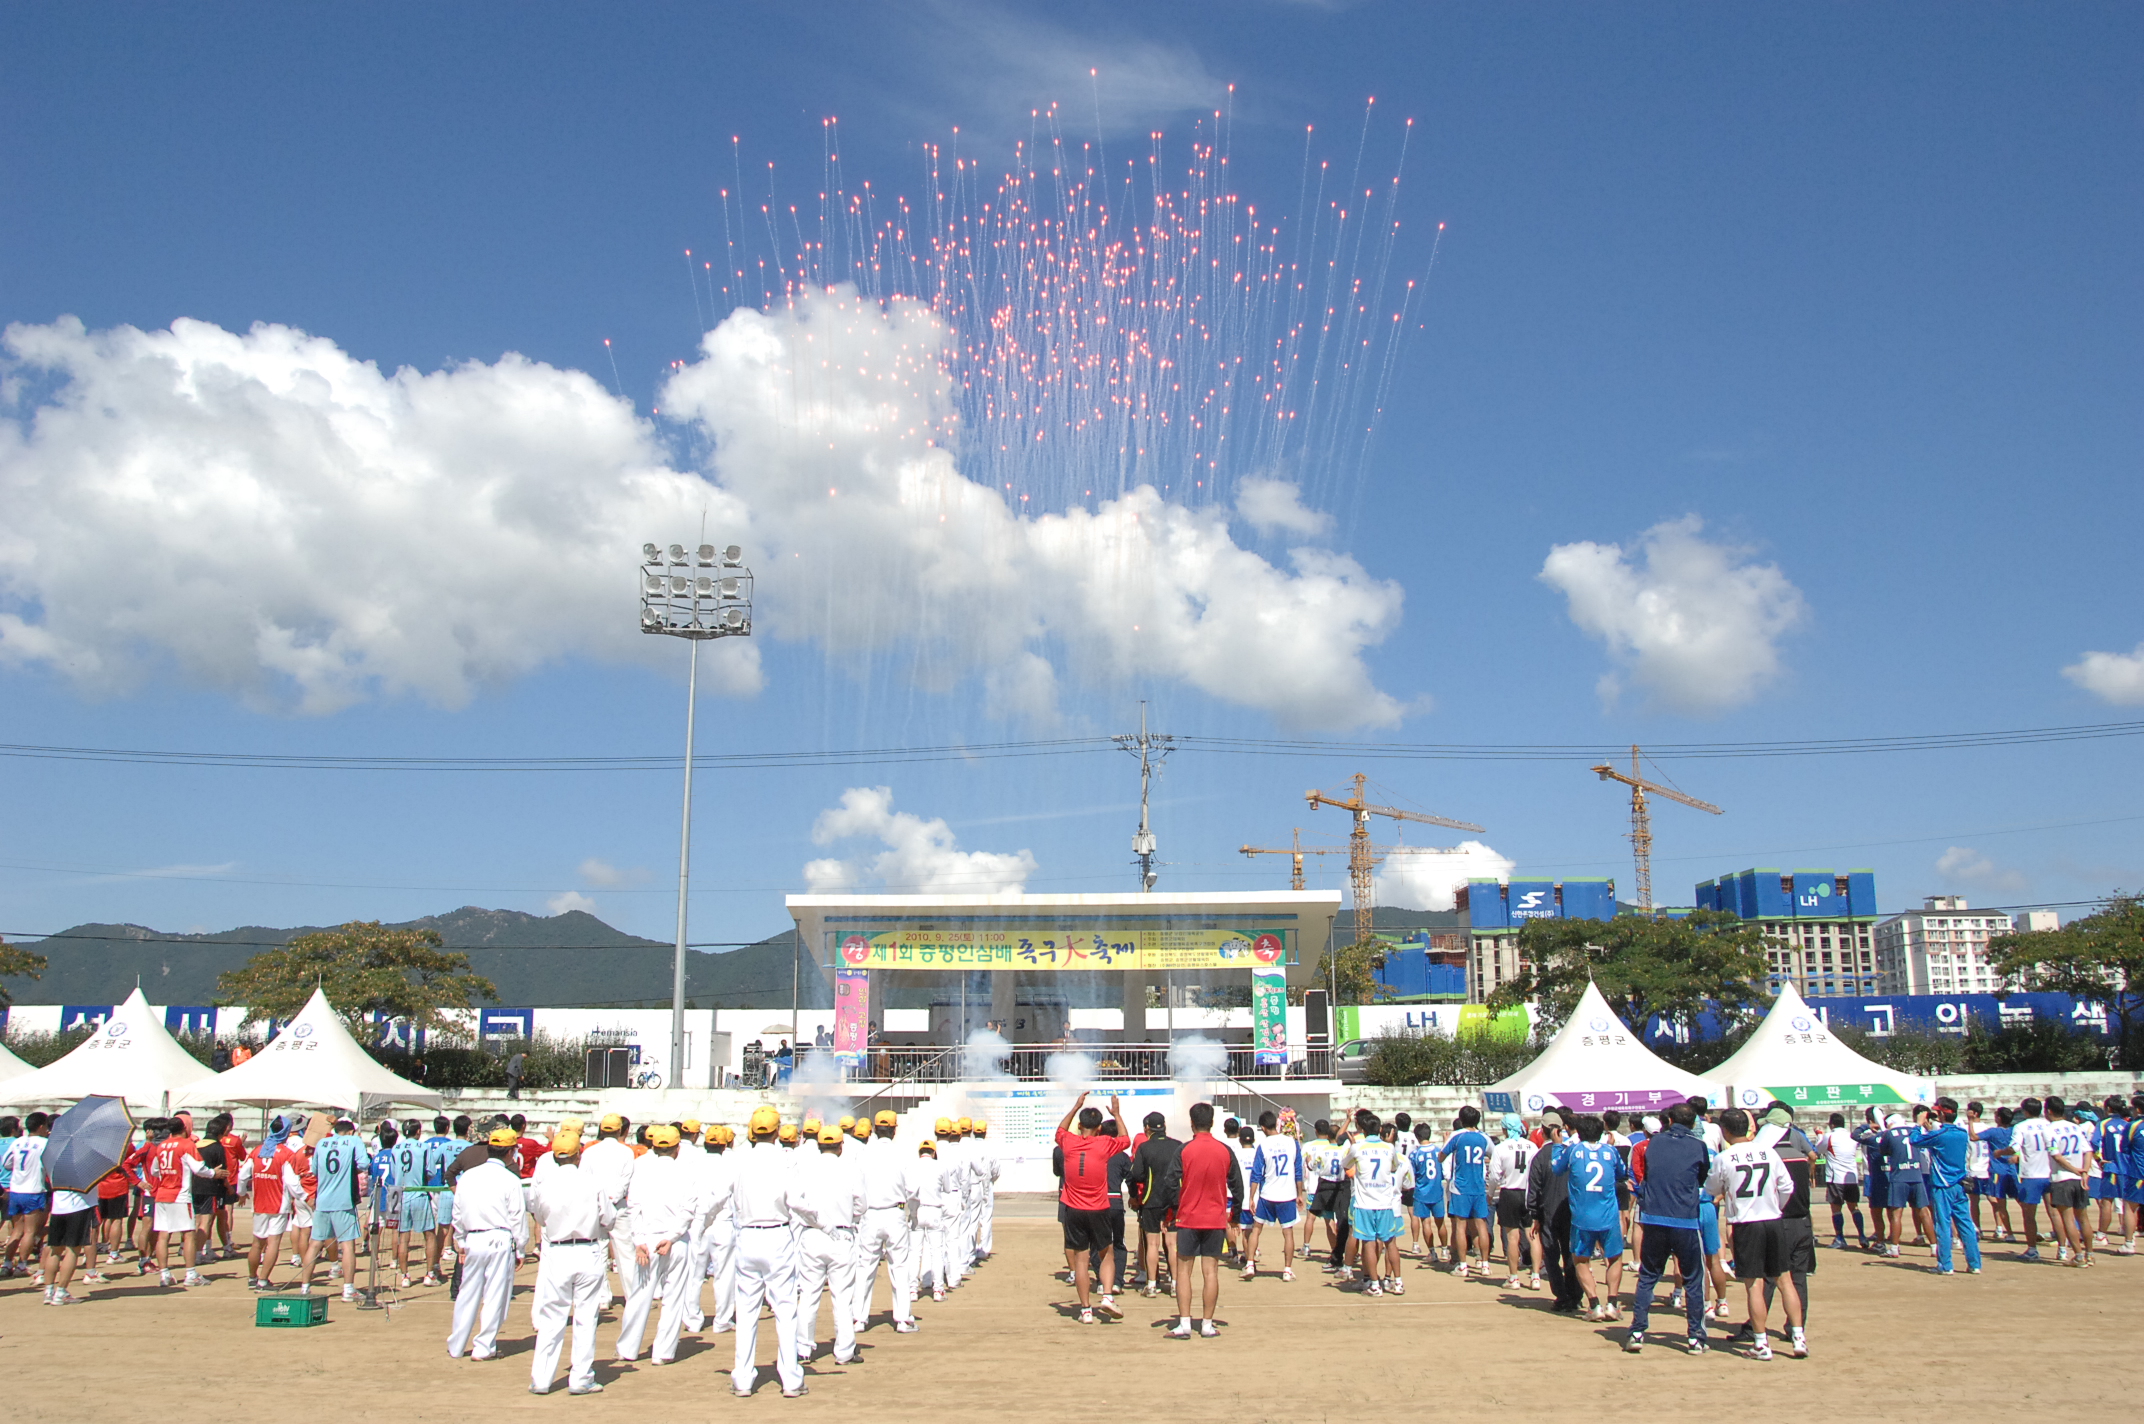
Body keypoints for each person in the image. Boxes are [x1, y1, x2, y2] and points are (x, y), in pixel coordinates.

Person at [1706, 1108, 1802, 1360]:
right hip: (1772, 1220)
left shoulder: (1724, 1158)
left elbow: (1711, 1188)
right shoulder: (1768, 1152)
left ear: (1725, 1131)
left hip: (1747, 1224)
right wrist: (1776, 1207)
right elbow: (1787, 1186)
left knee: (1754, 1285)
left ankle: (1761, 1342)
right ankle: (1798, 1337)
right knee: (1785, 1280)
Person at [526, 1122, 613, 1395]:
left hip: (558, 1250)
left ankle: (541, 1379)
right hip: (587, 1250)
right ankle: (581, 1378)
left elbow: (540, 1217)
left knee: (552, 1315)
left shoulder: (545, 1184)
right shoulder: (592, 1182)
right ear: (579, 1154)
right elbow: (608, 1219)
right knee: (586, 1317)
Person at [729, 1105, 807, 1398]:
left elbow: (718, 1196)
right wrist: (821, 1221)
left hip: (747, 1235)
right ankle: (791, 1379)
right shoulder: (786, 1159)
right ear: (777, 1132)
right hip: (777, 1234)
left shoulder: (739, 1159)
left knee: (747, 1309)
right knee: (785, 1309)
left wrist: (703, 1223)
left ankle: (743, 1378)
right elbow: (796, 1201)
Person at [1624, 1101, 1711, 1355]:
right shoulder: (1698, 1146)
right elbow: (1702, 1177)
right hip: (1685, 1219)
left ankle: (1637, 1331)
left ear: (1669, 1121)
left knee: (1647, 1277)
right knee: (1693, 1279)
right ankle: (1695, 1337)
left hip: (1654, 1217)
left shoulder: (1654, 1143)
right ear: (1693, 1123)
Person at [619, 1123, 698, 1364]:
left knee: (639, 1295)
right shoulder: (686, 1171)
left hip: (649, 1238)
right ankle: (663, 1352)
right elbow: (688, 1210)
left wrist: (639, 1240)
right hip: (675, 1241)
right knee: (673, 1297)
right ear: (677, 1148)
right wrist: (671, 1237)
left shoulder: (642, 1168)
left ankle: (628, 1348)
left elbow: (633, 1207)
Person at [447, 1127, 527, 1361]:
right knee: (496, 1295)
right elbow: (517, 1217)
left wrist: (460, 1240)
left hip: (474, 1237)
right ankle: (484, 1346)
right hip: (499, 1238)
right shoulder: (510, 1179)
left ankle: (457, 1344)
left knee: (467, 1293)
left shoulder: (468, 1176)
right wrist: (521, 1248)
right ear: (510, 1152)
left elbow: (457, 1212)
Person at [1168, 1101, 1243, 1339]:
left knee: (1183, 1272)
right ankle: (1207, 1324)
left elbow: (1170, 1183)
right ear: (1212, 1123)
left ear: (1192, 1123)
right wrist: (1235, 1215)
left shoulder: (1184, 1150)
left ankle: (1184, 1323)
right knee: (1211, 1272)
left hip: (1188, 1218)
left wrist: (1173, 1210)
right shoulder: (1224, 1151)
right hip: (1215, 1219)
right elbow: (1237, 1186)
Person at [1054, 1090, 1129, 1324]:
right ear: (1099, 1128)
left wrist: (1075, 1107)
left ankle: (1086, 1310)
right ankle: (1107, 1296)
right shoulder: (1104, 1143)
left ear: (1079, 1126)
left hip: (1074, 1209)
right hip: (1098, 1207)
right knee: (1106, 1253)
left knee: (1081, 1259)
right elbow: (1125, 1139)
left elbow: (1060, 1131)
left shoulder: (1069, 1142)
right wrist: (1117, 1114)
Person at [792, 1122, 864, 1367]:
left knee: (808, 1294)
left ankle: (803, 1348)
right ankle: (844, 1351)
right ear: (841, 1146)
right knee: (842, 1297)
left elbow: (797, 1202)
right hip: (841, 1235)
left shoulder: (806, 1168)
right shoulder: (851, 1168)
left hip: (812, 1233)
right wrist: (848, 1216)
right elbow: (861, 1204)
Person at [852, 1109, 920, 1335]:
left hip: (870, 1214)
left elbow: (856, 1188)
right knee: (899, 1267)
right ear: (893, 1130)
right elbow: (913, 1188)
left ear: (874, 1129)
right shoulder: (903, 1153)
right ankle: (903, 1319)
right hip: (894, 1213)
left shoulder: (863, 1153)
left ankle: (859, 1318)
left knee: (865, 1267)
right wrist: (911, 1211)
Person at [1553, 1114, 1625, 1320]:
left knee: (1581, 1260)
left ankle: (1594, 1304)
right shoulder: (1610, 1151)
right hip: (1608, 1215)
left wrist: (1557, 1145)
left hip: (1582, 1216)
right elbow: (1622, 1172)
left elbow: (1556, 1168)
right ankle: (1612, 1303)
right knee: (1614, 1258)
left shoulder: (1573, 1150)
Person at [144, 1113, 222, 1288]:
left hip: (162, 1194)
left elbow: (155, 1170)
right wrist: (213, 1173)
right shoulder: (187, 1145)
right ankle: (190, 1274)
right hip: (180, 1195)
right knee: (188, 1234)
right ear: (185, 1128)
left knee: (163, 1235)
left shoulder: (162, 1146)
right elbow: (198, 1168)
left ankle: (165, 1274)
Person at [1910, 1099, 1982, 1276]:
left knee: (1943, 1224)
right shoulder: (1961, 1133)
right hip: (1959, 1183)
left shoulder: (1941, 1134)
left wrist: (1918, 1124)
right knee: (1965, 1224)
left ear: (1942, 1114)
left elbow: (1915, 1140)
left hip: (1942, 1184)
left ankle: (1945, 1265)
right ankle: (1974, 1264)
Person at [301, 1116, 369, 1300]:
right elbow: (364, 1164)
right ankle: (348, 1289)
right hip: (343, 1201)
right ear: (351, 1131)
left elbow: (315, 1170)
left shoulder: (322, 1143)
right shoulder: (354, 1141)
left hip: (323, 1200)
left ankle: (305, 1287)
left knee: (315, 1243)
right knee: (347, 1245)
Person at [1343, 1117, 1411, 1296]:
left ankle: (1374, 1284)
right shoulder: (1389, 1148)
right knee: (1391, 1243)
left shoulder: (1358, 1147)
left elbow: (1345, 1165)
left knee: (1368, 1243)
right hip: (1385, 1203)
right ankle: (1398, 1282)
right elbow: (1394, 1167)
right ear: (1379, 1130)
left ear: (1363, 1130)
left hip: (1365, 1203)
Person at [238, 1117, 305, 1291]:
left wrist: (241, 1193)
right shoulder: (286, 1154)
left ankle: (252, 1277)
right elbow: (292, 1182)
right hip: (278, 1204)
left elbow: (242, 1175)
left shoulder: (258, 1150)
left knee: (257, 1242)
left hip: (259, 1203)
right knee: (273, 1242)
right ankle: (263, 1281)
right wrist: (304, 1196)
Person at [578, 1114, 638, 1307]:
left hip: (595, 1206)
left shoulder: (589, 1152)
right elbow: (626, 1179)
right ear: (620, 1130)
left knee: (599, 1251)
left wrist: (599, 1201)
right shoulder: (626, 1152)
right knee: (626, 1253)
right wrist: (613, 1198)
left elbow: (584, 1179)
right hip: (617, 1205)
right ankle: (632, 1296)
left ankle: (602, 1298)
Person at [1242, 1110, 1303, 1281]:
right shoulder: (1292, 1142)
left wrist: (1252, 1197)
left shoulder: (1263, 1146)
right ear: (1276, 1123)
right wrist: (1299, 1193)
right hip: (1287, 1195)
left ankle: (1250, 1264)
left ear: (1262, 1127)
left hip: (1267, 1194)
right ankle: (1287, 1270)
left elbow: (1256, 1174)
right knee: (1288, 1232)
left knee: (1256, 1229)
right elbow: (1298, 1170)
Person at [1128, 1112, 1182, 1296]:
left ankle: (1151, 1284)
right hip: (1173, 1201)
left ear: (1147, 1128)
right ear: (1164, 1126)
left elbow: (1136, 1175)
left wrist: (1135, 1195)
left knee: (1152, 1243)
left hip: (1151, 1200)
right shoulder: (1177, 1146)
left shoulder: (1144, 1148)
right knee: (1172, 1243)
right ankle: (1175, 1283)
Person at [1439, 1106, 1494, 1279]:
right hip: (1478, 1186)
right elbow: (1494, 1155)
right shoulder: (1484, 1137)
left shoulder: (1458, 1137)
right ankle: (1485, 1264)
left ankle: (1463, 1265)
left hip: (1460, 1187)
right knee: (1481, 1225)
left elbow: (1441, 1156)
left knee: (1461, 1226)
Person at [1488, 1113, 1539, 1290]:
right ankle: (1536, 1276)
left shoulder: (1501, 1148)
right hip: (1529, 1193)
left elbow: (1494, 1176)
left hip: (1509, 1192)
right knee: (1532, 1235)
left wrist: (1491, 1193)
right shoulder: (1532, 1146)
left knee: (1512, 1237)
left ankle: (1514, 1277)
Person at [3, 1113, 53, 1283]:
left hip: (16, 1190)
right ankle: (22, 1265)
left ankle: (7, 1264)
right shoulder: (45, 1144)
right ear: (41, 1126)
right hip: (34, 1190)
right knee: (30, 1231)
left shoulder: (17, 1142)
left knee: (17, 1229)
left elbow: (7, 1164)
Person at [2044, 1097, 2094, 1266]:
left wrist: (2074, 1169)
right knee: (2083, 1217)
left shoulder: (2049, 1129)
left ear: (2049, 1111)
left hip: (2062, 1178)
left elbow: (2056, 1155)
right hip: (2078, 1179)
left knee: (2068, 1218)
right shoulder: (2075, 1127)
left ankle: (2079, 1256)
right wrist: (2084, 1171)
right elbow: (2088, 1151)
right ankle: (2089, 1254)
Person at [1819, 1111, 1868, 1249]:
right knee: (1854, 1207)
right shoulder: (1851, 1136)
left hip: (1836, 1177)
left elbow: (1820, 1149)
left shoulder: (1829, 1136)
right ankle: (1862, 1235)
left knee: (1836, 1209)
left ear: (1832, 1124)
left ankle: (1840, 1238)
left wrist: (1819, 1135)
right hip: (1851, 1177)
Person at [1407, 1123, 1448, 1264]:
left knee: (1426, 1222)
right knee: (1440, 1222)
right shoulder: (1438, 1151)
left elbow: (1412, 1175)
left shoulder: (1415, 1154)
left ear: (1417, 1137)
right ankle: (1444, 1250)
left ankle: (1432, 1252)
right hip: (1437, 1190)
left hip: (1421, 1192)